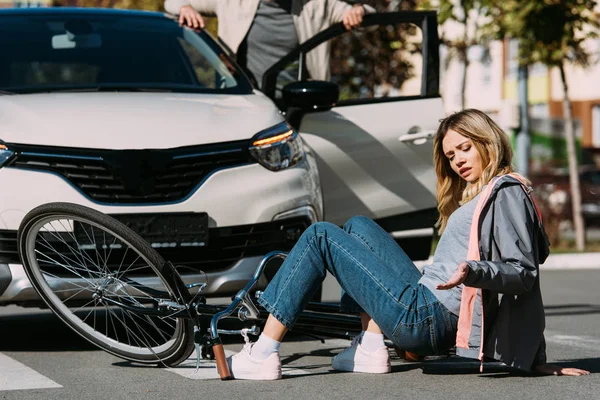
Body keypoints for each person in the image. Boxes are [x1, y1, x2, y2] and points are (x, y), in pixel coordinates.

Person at [221, 108, 591, 380]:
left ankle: (264, 351)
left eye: (465, 148)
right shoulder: (484, 194)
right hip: (425, 306)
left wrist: (473, 272)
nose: (458, 161)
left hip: (429, 316)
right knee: (358, 225)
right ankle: (368, 347)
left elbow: (523, 274)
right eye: (450, 156)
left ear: (487, 141)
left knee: (320, 235)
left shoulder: (506, 191)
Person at [163, 0, 372, 88]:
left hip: (297, 106)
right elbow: (171, 1)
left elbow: (368, 17)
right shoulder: (234, 2)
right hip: (246, 104)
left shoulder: (315, 5)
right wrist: (185, 7)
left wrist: (359, 11)